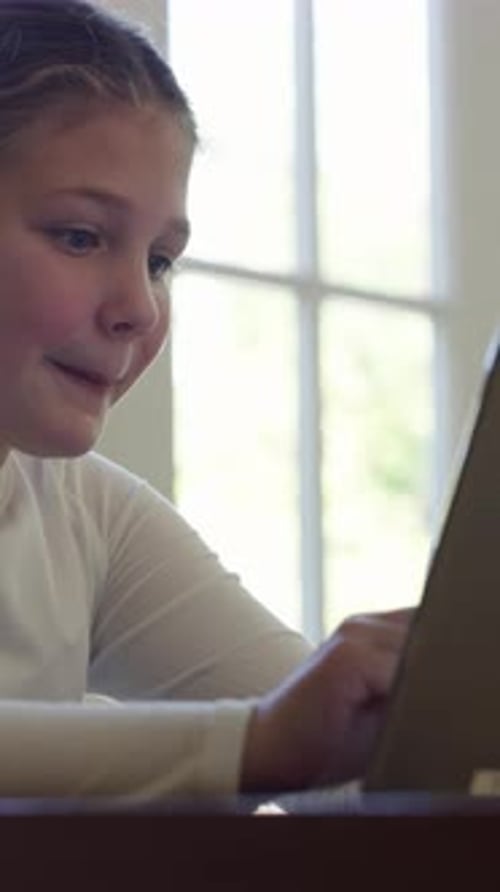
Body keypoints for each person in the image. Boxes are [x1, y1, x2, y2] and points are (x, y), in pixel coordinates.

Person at [0, 0, 411, 799]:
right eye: (81, 236)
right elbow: (273, 733)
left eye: (159, 260)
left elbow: (349, 757)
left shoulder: (89, 514)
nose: (140, 308)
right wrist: (254, 744)